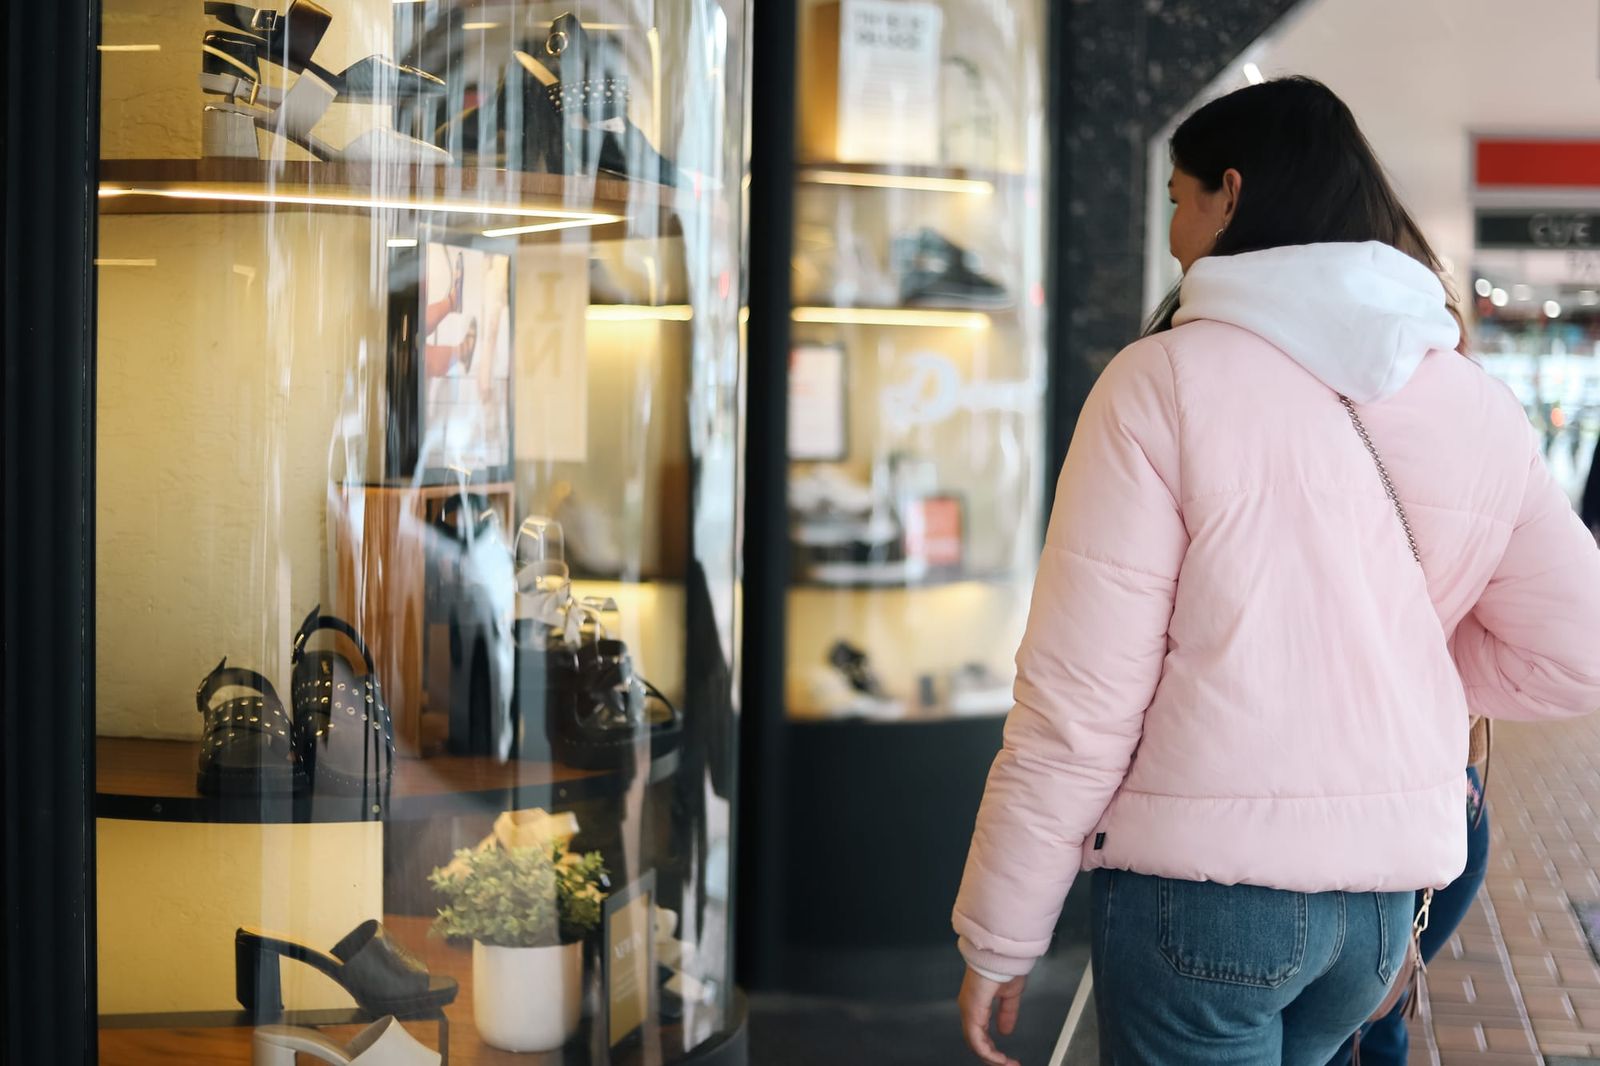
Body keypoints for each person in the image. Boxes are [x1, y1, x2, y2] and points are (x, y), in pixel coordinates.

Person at [953, 76, 1600, 1066]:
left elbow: (1081, 702)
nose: (1172, 233)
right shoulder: (1473, 400)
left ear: (1231, 192)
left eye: (1177, 198)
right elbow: (1577, 650)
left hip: (1202, 903)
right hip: (1379, 911)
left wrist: (1001, 931)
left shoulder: (1159, 383)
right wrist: (1376, 652)